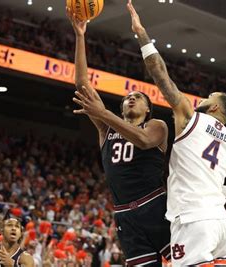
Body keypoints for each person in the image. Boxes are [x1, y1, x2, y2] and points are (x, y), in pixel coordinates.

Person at [126, 1, 226, 265]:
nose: (204, 97)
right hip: (222, 224)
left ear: (218, 106)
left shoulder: (190, 118)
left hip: (193, 220)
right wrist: (218, 190)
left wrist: (141, 34)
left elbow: (160, 74)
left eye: (210, 96)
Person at [67, 8, 171, 266]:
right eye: (127, 98)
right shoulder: (106, 128)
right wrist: (80, 36)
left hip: (156, 206)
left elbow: (144, 142)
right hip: (124, 214)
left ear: (147, 108)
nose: (131, 98)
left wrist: (105, 113)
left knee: (188, 262)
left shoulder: (157, 125)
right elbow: (82, 84)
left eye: (138, 97)